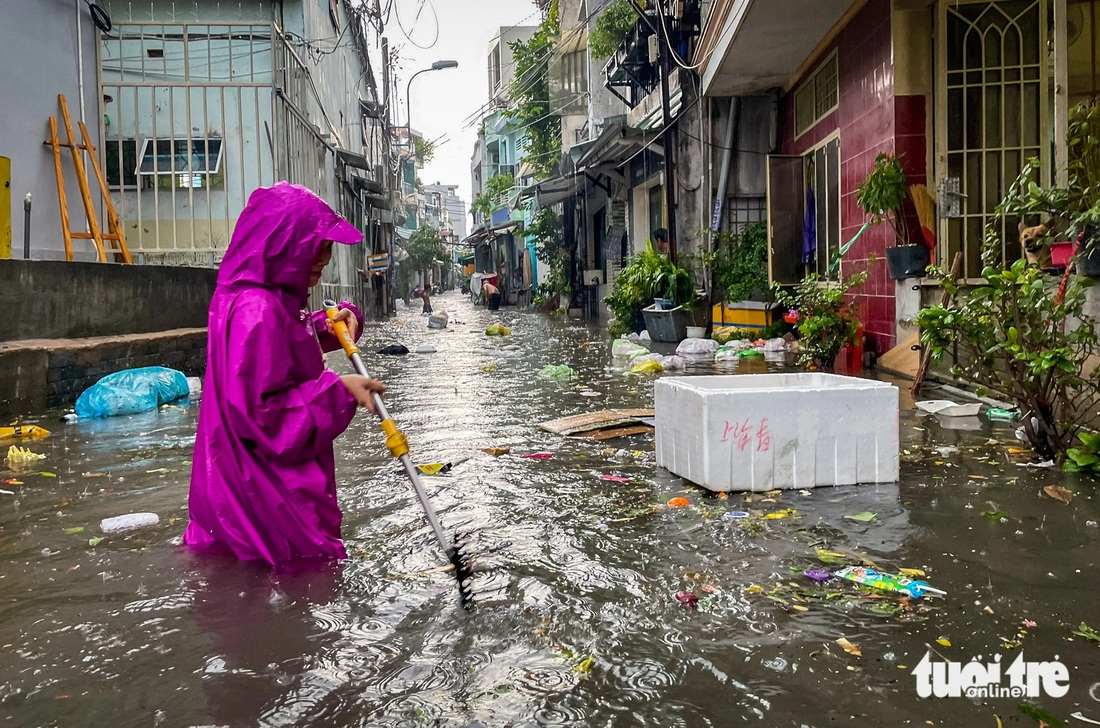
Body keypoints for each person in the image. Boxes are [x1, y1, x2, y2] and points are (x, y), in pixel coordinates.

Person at [184, 181, 386, 566]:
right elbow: (266, 415)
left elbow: (279, 346)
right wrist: (340, 391)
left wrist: (330, 327)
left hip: (235, 480)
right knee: (302, 572)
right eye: (316, 248)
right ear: (283, 243)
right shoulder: (256, 310)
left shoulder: (258, 296)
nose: (324, 259)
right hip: (261, 489)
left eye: (326, 249)